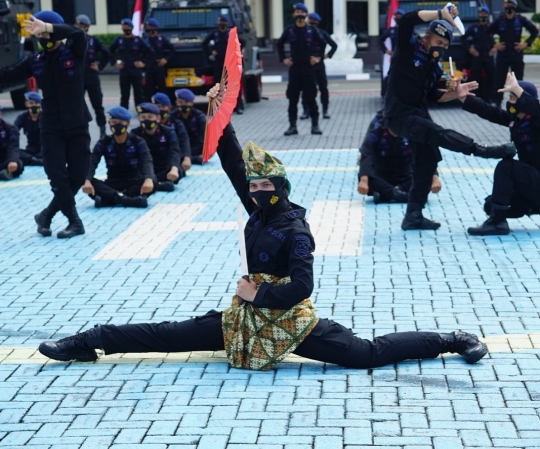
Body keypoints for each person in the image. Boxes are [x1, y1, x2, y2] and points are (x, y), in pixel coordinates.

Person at [38, 86, 489, 368]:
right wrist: (220, 115)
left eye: (263, 186)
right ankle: (89, 341)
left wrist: (260, 294)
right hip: (244, 318)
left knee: (363, 355)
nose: (254, 190)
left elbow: (303, 287)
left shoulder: (294, 229)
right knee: (170, 334)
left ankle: (448, 339)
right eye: (252, 186)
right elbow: (235, 164)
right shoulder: (257, 208)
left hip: (288, 320)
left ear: (280, 187)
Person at [384, 6, 517, 231]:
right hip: (399, 113)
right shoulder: (408, 49)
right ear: (427, 38)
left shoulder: (434, 67)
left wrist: (456, 93)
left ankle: (413, 215)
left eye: (445, 46)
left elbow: (435, 96)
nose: (441, 49)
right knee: (438, 133)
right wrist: (439, 13)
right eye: (438, 43)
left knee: (427, 161)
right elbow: (407, 20)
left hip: (418, 113)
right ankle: (480, 149)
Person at [0, 11, 91, 238]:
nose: (43, 36)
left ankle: (46, 216)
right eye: (38, 31)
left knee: (78, 176)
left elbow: (77, 33)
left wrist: (48, 26)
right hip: (51, 128)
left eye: (45, 30)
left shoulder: (74, 51)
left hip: (78, 123)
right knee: (58, 177)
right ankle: (75, 222)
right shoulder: (35, 62)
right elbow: (8, 76)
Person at [461, 73, 540, 235]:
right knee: (491, 205)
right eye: (509, 96)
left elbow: (535, 107)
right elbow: (491, 112)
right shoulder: (516, 120)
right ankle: (527, 208)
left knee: (506, 166)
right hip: (533, 181)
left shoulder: (536, 119)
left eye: (513, 96)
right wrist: (464, 98)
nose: (509, 101)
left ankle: (498, 223)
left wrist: (518, 89)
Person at [357, 111, 442, 203]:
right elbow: (367, 153)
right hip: (383, 174)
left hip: (405, 174)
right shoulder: (376, 131)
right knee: (369, 179)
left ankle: (389, 193)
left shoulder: (412, 131)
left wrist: (434, 177)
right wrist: (364, 180)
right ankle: (400, 195)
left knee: (424, 178)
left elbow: (425, 154)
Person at [82, 106, 156, 208]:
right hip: (112, 184)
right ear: (109, 124)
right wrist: (87, 179)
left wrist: (148, 178)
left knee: (153, 181)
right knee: (87, 182)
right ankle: (129, 200)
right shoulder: (104, 142)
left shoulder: (138, 142)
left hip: (133, 183)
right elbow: (92, 161)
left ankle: (109, 200)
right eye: (114, 122)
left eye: (121, 123)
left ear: (128, 123)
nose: (117, 125)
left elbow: (146, 161)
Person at [277, 3, 327, 136]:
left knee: (311, 98)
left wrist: (319, 58)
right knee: (292, 99)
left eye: (302, 12)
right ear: (294, 15)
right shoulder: (289, 30)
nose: (299, 14)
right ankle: (292, 126)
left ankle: (315, 126)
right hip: (294, 70)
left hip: (309, 70)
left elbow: (323, 43)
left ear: (306, 15)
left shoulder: (312, 30)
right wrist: (284, 59)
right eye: (297, 12)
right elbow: (279, 44)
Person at [488, 0, 538, 107]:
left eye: (511, 4)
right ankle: (497, 104)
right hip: (503, 55)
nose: (509, 6)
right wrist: (495, 45)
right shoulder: (499, 20)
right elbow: (487, 31)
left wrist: (526, 43)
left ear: (515, 6)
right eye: (507, 4)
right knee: (499, 81)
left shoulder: (520, 20)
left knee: (518, 82)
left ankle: (519, 104)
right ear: (503, 6)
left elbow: (534, 31)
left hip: (516, 55)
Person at [130, 102, 181, 192]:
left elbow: (174, 151)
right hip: (144, 169)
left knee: (178, 171)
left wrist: (174, 168)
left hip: (163, 168)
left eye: (150, 117)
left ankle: (156, 183)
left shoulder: (168, 132)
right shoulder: (135, 134)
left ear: (158, 118)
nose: (146, 120)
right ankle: (158, 185)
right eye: (143, 117)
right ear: (139, 119)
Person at [74, 14, 110, 139]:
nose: (77, 27)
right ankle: (78, 131)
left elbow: (107, 54)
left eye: (80, 25)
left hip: (92, 78)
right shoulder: (71, 41)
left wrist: (100, 66)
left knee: (97, 106)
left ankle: (103, 131)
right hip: (77, 79)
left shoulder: (93, 41)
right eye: (77, 25)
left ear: (86, 27)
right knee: (77, 106)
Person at [202, 14, 246, 114]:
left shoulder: (231, 33)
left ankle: (238, 107)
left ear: (226, 24)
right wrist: (211, 51)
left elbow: (243, 42)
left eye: (223, 23)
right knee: (218, 86)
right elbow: (204, 44)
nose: (221, 24)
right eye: (220, 22)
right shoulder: (215, 34)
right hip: (218, 63)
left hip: (230, 63)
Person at [109, 18, 154, 110]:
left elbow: (151, 52)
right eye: (123, 26)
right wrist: (114, 62)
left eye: (127, 26)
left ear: (131, 27)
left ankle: (141, 112)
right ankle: (123, 113)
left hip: (136, 71)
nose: (125, 28)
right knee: (124, 95)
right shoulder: (119, 40)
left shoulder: (138, 40)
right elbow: (109, 52)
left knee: (139, 94)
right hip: (124, 71)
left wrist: (144, 63)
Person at [299, 12, 337, 120]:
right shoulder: (304, 33)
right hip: (307, 64)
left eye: (312, 20)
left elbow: (334, 46)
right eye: (309, 19)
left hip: (319, 65)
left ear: (317, 22)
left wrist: (326, 56)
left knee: (323, 88)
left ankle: (325, 110)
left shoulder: (322, 33)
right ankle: (306, 111)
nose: (310, 22)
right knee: (306, 88)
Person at [462, 6, 496, 104]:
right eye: (481, 14)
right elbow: (463, 38)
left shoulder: (492, 27)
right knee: (475, 78)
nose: (483, 15)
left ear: (488, 15)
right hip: (477, 57)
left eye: (485, 14)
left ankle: (490, 99)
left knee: (491, 78)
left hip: (488, 56)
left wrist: (495, 48)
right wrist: (469, 49)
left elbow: (503, 37)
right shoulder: (474, 28)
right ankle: (475, 98)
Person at [151, 92, 192, 172]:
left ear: (169, 108)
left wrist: (187, 157)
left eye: (161, 107)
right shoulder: (147, 125)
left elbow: (184, 141)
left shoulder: (176, 123)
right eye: (156, 107)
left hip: (171, 156)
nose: (158, 110)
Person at [172, 88, 206, 164]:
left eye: (186, 102)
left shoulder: (199, 116)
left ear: (191, 103)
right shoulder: (172, 116)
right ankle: (193, 159)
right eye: (180, 102)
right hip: (180, 145)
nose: (183, 105)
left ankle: (186, 158)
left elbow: (205, 136)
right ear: (176, 102)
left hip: (195, 146)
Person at [143, 18, 174, 101]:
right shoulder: (145, 40)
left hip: (159, 66)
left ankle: (162, 104)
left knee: (162, 87)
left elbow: (172, 49)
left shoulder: (162, 39)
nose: (148, 28)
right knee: (149, 87)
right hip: (149, 66)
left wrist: (166, 59)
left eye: (149, 26)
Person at [380, 9, 405, 98]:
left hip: (405, 58)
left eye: (399, 15)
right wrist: (387, 51)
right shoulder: (391, 30)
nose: (396, 17)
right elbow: (380, 40)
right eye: (395, 15)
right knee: (391, 77)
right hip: (395, 57)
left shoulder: (408, 30)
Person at [14, 91, 43, 166]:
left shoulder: (45, 117)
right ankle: (35, 160)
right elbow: (13, 130)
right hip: (30, 150)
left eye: (36, 103)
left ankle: (33, 160)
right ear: (26, 104)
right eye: (31, 103)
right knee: (15, 153)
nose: (34, 106)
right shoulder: (23, 117)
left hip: (44, 148)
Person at [0, 105, 24, 181]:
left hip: (4, 158)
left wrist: (12, 160)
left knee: (18, 165)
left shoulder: (10, 128)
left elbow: (13, 146)